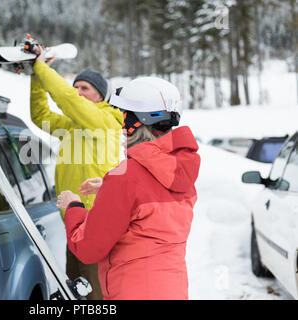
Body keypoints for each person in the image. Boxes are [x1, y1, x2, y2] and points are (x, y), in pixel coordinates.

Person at [57, 77, 201, 300]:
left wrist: (73, 206)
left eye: (125, 116)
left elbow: (88, 248)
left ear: (138, 120)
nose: (122, 126)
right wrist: (108, 188)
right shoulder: (181, 173)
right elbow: (148, 200)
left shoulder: (124, 178)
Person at [29, 46, 124, 300]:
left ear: (100, 96)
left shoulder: (104, 121)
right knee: (77, 291)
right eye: (76, 87)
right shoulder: (73, 126)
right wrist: (37, 79)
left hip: (96, 223)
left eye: (85, 88)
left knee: (96, 295)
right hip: (74, 221)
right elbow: (40, 116)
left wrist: (41, 67)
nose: (78, 92)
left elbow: (67, 100)